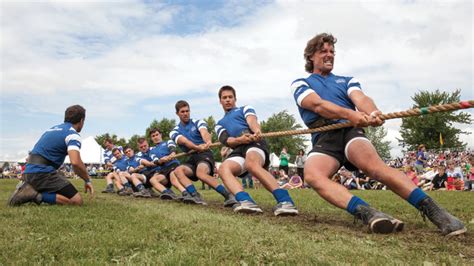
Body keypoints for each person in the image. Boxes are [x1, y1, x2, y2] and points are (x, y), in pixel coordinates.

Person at [290, 33, 465, 235]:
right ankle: (369, 213)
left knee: (375, 168)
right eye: (324, 51)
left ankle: (438, 214)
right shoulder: (301, 83)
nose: (329, 55)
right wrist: (350, 114)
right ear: (311, 56)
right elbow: (317, 105)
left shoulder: (346, 80)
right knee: (312, 176)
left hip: (349, 131)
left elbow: (361, 98)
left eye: (332, 51)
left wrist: (372, 112)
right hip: (325, 137)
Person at [215, 85, 298, 216]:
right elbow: (227, 140)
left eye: (230, 97)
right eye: (224, 98)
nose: (227, 100)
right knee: (223, 169)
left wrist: (256, 130)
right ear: (220, 101)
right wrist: (240, 140)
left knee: (251, 164)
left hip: (254, 142)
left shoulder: (245, 108)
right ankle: (246, 201)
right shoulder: (219, 123)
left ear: (235, 98)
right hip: (239, 147)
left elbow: (252, 120)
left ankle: (286, 201)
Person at [8, 105, 94, 206]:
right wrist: (87, 180)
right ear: (81, 120)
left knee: (62, 191)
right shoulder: (72, 134)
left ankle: (30, 188)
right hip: (43, 173)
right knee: (77, 201)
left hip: (29, 171)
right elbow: (75, 162)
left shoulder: (51, 130)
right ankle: (34, 194)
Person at [170, 100, 237, 206]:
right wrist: (196, 147)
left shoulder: (198, 122)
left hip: (204, 154)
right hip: (192, 156)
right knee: (178, 171)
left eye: (187, 111)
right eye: (182, 111)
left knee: (200, 173)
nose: (185, 113)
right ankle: (195, 195)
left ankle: (228, 195)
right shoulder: (174, 131)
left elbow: (204, 132)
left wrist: (208, 141)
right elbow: (185, 142)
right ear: (177, 113)